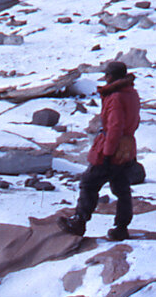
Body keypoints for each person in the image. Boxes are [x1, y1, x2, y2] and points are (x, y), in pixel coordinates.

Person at [60, 58, 140, 241]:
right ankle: (121, 228)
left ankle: (79, 221)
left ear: (111, 77)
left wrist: (107, 153)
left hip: (112, 149)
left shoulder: (116, 97)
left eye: (107, 75)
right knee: (122, 188)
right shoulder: (131, 93)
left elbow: (114, 127)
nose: (105, 78)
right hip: (126, 148)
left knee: (89, 183)